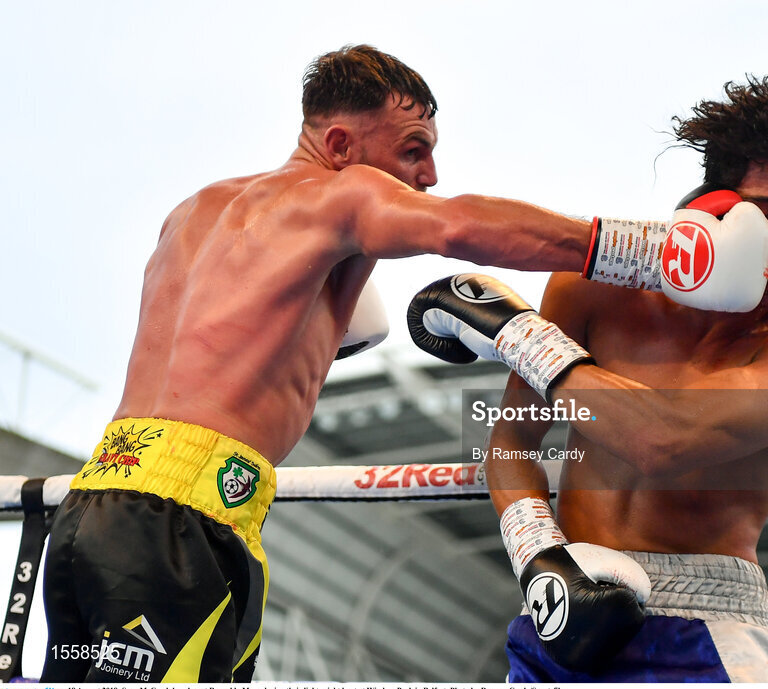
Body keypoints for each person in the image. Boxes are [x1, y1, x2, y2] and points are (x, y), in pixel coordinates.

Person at [38, 44, 677, 683]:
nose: (428, 176)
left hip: (93, 503)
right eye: (412, 149)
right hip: (182, 522)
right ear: (341, 145)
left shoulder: (194, 211)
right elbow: (458, 227)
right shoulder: (341, 196)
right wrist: (656, 253)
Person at [407, 73, 768, 682]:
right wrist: (539, 555)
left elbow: (663, 441)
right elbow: (512, 442)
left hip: (707, 629)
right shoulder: (594, 292)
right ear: (714, 212)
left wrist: (515, 333)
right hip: (562, 602)